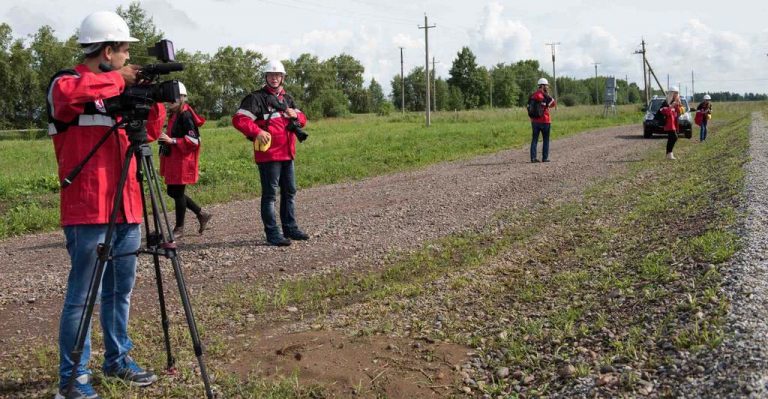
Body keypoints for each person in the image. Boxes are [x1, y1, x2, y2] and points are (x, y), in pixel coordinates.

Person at [47, 11, 159, 399]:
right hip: (89, 209)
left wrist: (157, 99)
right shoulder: (66, 81)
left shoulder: (119, 87)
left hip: (127, 208)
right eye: (125, 51)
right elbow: (66, 97)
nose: (128, 59)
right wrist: (119, 80)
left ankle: (118, 358)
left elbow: (154, 132)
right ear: (107, 51)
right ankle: (73, 378)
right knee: (83, 296)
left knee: (119, 292)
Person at [232, 60, 309, 246]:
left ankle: (290, 228)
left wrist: (295, 116)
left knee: (289, 192)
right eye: (271, 75)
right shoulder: (256, 98)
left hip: (287, 153)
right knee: (270, 195)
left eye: (278, 75)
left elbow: (303, 120)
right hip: (269, 156)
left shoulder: (287, 98)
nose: (274, 78)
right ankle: (272, 233)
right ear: (266, 77)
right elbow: (239, 120)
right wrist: (257, 131)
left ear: (282, 78)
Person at [154, 82, 212, 239]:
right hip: (174, 159)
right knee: (172, 191)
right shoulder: (175, 114)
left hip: (183, 160)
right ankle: (201, 214)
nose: (170, 101)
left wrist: (172, 141)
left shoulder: (186, 115)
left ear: (182, 98)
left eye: (173, 98)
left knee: (177, 193)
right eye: (169, 98)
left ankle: (179, 228)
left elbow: (194, 141)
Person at [529, 77, 557, 163]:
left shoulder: (532, 95)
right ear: (543, 86)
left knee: (534, 140)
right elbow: (553, 104)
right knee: (546, 140)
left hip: (535, 121)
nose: (547, 87)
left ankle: (533, 158)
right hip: (545, 121)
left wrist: (531, 118)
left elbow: (528, 107)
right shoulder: (545, 96)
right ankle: (545, 158)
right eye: (546, 86)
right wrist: (548, 95)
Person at [660, 86, 683, 160]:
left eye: (677, 93)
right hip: (668, 123)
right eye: (675, 93)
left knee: (671, 138)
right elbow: (663, 111)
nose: (677, 94)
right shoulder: (666, 102)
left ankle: (669, 154)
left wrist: (679, 106)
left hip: (674, 123)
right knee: (674, 137)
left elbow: (679, 113)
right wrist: (671, 106)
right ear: (672, 93)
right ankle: (669, 153)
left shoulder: (676, 102)